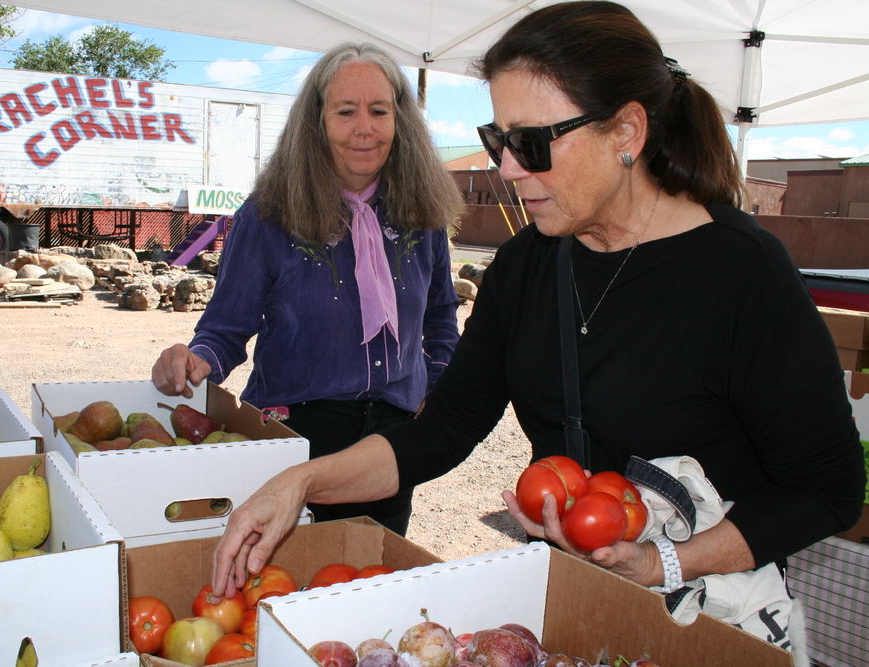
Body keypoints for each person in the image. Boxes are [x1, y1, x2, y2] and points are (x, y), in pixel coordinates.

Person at [210, 0, 865, 614]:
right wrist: (300, 482)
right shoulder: (527, 265)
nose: (508, 169)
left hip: (702, 612)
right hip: (569, 594)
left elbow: (826, 488)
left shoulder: (740, 271)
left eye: (532, 142)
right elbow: (443, 429)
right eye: (499, 139)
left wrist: (664, 560)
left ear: (626, 131)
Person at [151, 42, 464, 536]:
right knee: (283, 591)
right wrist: (197, 360)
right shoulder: (268, 216)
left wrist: (438, 388)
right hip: (295, 435)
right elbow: (227, 329)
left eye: (379, 111)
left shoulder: (421, 217)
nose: (365, 127)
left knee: (370, 584)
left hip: (388, 447)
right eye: (346, 111)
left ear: (399, 121)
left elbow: (441, 318)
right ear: (316, 121)